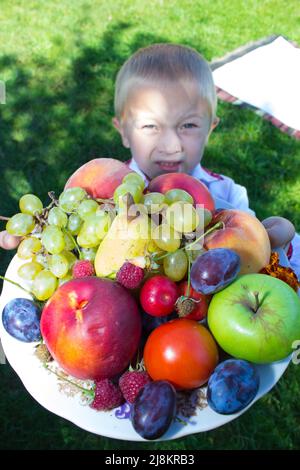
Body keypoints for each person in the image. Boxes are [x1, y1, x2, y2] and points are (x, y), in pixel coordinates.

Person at [1, 43, 299, 278]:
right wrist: (41, 238)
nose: (170, 144)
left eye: (189, 126)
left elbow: (256, 251)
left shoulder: (228, 196)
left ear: (211, 129)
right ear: (124, 132)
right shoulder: (102, 195)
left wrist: (276, 238)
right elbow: (73, 241)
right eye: (150, 126)